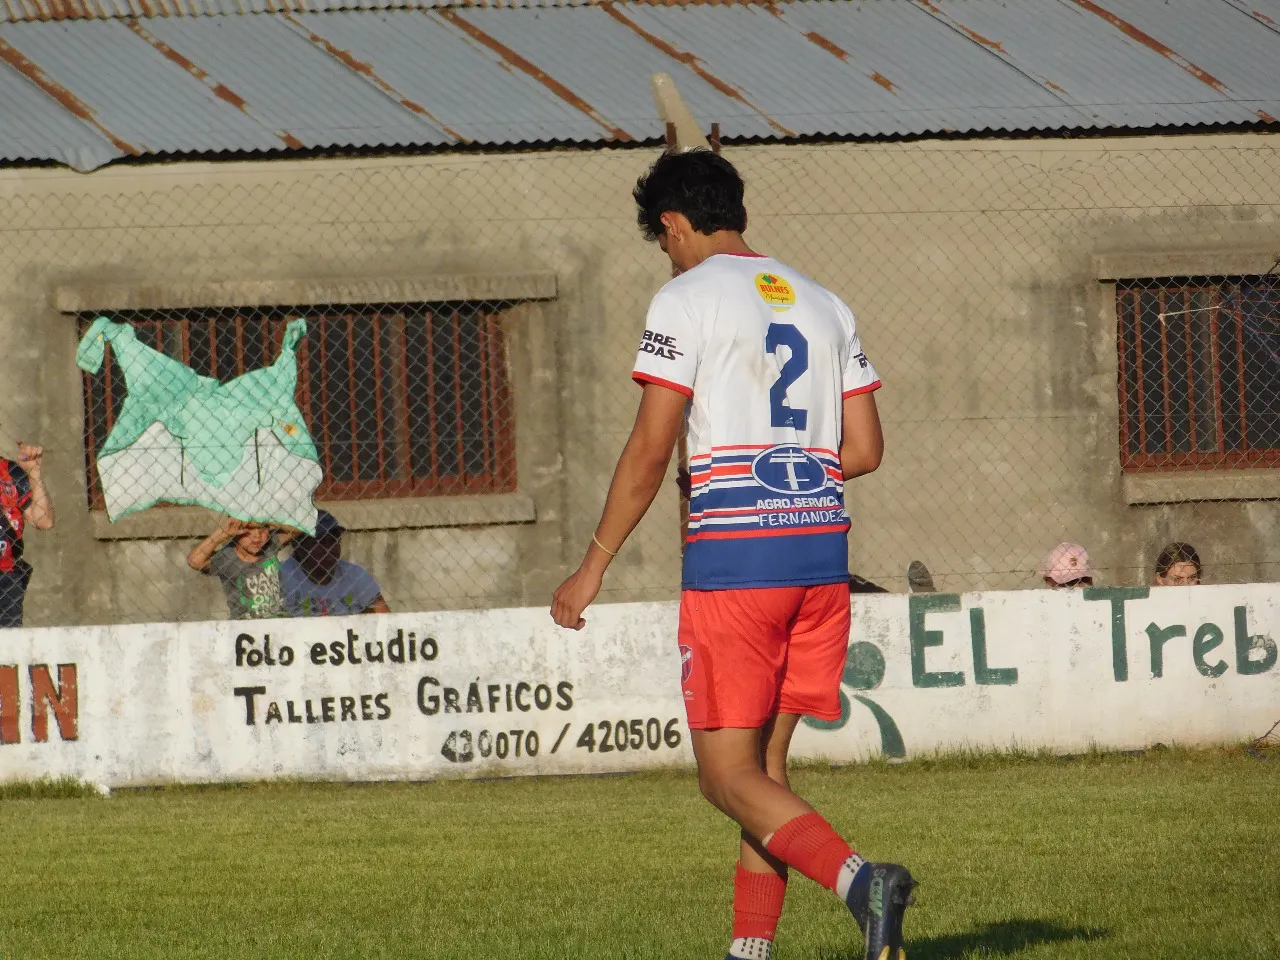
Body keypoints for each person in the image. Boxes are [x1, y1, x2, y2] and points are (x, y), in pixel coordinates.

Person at [550, 150, 914, 960]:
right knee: (765, 779)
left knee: (724, 779)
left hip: (736, 563)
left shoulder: (685, 298)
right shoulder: (825, 302)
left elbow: (650, 449)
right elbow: (865, 449)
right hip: (819, 557)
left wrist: (593, 565)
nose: (667, 254)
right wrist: (788, 468)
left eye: (663, 240)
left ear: (673, 225)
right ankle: (748, 954)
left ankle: (862, 882)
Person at [281, 510, 390, 616]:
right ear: (298, 545)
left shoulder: (355, 575)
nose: (329, 549)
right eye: (320, 542)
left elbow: (386, 621)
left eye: (334, 540)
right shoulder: (283, 578)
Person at [187, 516, 295, 619]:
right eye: (248, 530)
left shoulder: (270, 545)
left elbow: (299, 529)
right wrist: (222, 533)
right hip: (245, 624)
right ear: (235, 531)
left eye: (262, 528)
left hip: (279, 619)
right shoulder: (227, 557)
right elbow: (194, 561)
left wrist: (267, 519)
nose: (257, 536)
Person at [0, 442, 54, 628]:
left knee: (7, 651)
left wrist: (34, 473)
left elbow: (43, 520)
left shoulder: (10, 472)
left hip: (6, 579)